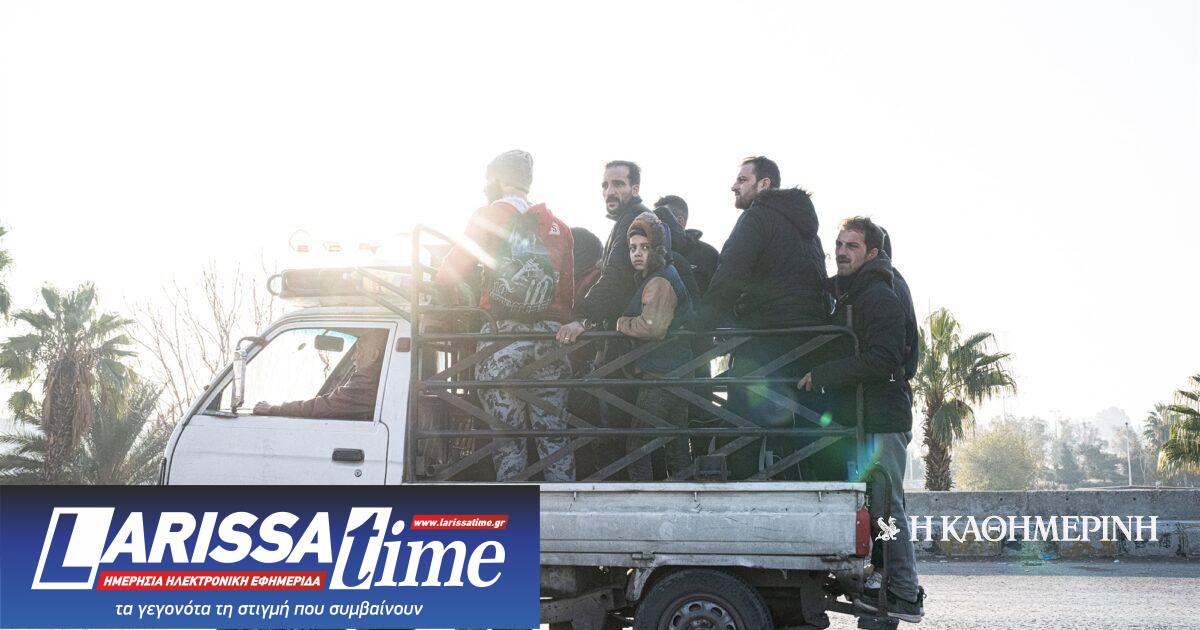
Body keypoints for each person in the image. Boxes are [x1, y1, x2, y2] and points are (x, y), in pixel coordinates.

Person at [797, 216, 924, 623]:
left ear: (872, 253)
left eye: (851, 246)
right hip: (869, 415)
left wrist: (825, 374)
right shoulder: (859, 290)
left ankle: (904, 589)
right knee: (877, 504)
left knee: (888, 507)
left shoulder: (880, 295)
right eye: (838, 244)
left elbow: (884, 358)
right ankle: (886, 585)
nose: (841, 252)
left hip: (883, 416)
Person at [434, 149, 576, 482]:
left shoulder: (488, 216)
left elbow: (448, 274)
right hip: (550, 342)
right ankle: (563, 506)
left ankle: (514, 506)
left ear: (497, 179)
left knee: (508, 441)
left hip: (501, 343)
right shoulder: (560, 227)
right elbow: (568, 296)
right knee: (554, 436)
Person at [692, 156, 832, 477]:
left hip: (763, 340)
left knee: (744, 422)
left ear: (764, 184)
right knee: (792, 425)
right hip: (805, 342)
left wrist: (700, 325)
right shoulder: (808, 230)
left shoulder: (757, 217)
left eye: (742, 180)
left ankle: (744, 489)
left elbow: (729, 276)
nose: (734, 186)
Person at [616, 212, 694, 480]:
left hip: (661, 374)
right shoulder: (662, 274)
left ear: (658, 249)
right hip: (677, 370)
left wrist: (622, 323)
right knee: (676, 441)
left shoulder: (659, 280)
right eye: (632, 248)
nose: (637, 253)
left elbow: (653, 327)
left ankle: (643, 497)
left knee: (637, 446)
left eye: (645, 247)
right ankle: (686, 494)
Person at [253, 330, 388, 420]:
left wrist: (275, 409)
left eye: (359, 350)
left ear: (373, 355)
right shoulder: (378, 380)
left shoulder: (368, 383)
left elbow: (325, 407)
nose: (353, 357)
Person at [655, 195, 719, 294]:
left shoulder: (709, 255)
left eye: (662, 220)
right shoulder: (653, 255)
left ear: (680, 221)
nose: (656, 226)